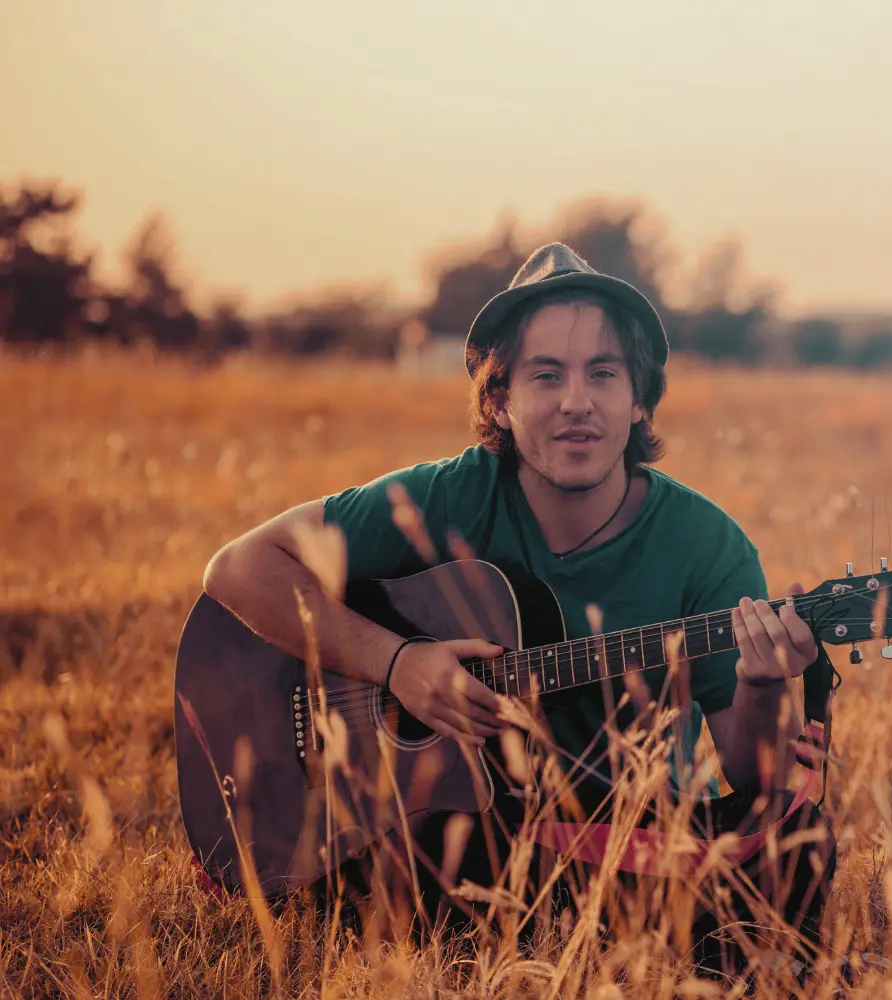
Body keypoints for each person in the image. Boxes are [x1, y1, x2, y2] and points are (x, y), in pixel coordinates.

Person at [203, 243, 836, 977]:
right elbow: (239, 568)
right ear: (500, 400)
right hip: (455, 834)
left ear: (639, 401)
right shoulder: (449, 496)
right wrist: (399, 664)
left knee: (798, 847)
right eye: (547, 375)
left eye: (604, 373)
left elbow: (751, 777)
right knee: (443, 847)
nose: (577, 401)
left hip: (628, 835)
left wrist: (763, 682)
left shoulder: (709, 546)